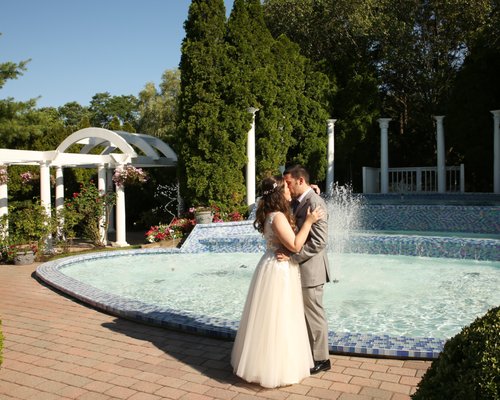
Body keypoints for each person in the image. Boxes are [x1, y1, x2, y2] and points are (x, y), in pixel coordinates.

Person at [231, 175, 325, 388]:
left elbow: (295, 199)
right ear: (278, 193)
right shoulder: (278, 217)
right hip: (280, 269)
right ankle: (276, 368)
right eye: (285, 188)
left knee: (270, 319)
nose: (289, 190)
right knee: (279, 317)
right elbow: (294, 245)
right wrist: (309, 222)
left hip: (271, 264)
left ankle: (266, 362)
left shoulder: (271, 214)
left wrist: (310, 189)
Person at [280, 165, 331, 374]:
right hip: (301, 269)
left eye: (289, 183)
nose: (287, 187)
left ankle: (322, 359)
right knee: (303, 314)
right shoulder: (300, 200)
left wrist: (293, 258)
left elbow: (319, 241)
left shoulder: (315, 203)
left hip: (312, 270)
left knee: (314, 315)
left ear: (301, 181)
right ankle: (310, 354)